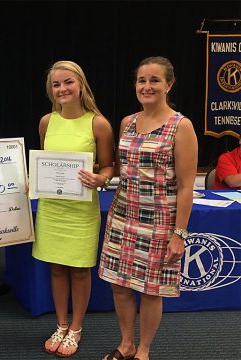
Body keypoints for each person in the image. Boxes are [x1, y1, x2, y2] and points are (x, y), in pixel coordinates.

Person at [98, 56, 198, 360]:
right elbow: (119, 168)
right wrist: (94, 175)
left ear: (169, 85)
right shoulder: (128, 122)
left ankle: (143, 350)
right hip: (122, 217)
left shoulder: (181, 126)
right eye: (142, 80)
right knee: (119, 286)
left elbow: (185, 187)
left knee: (151, 291)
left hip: (160, 222)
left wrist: (179, 234)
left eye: (154, 80)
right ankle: (126, 344)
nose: (147, 86)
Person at [32, 60, 114, 358]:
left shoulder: (98, 123)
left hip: (81, 210)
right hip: (52, 208)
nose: (62, 89)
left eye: (68, 82)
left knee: (80, 270)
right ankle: (61, 324)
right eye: (56, 85)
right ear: (51, 91)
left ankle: (76, 328)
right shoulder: (46, 122)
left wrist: (101, 178)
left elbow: (108, 166)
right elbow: (44, 160)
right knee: (55, 268)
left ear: (80, 85)